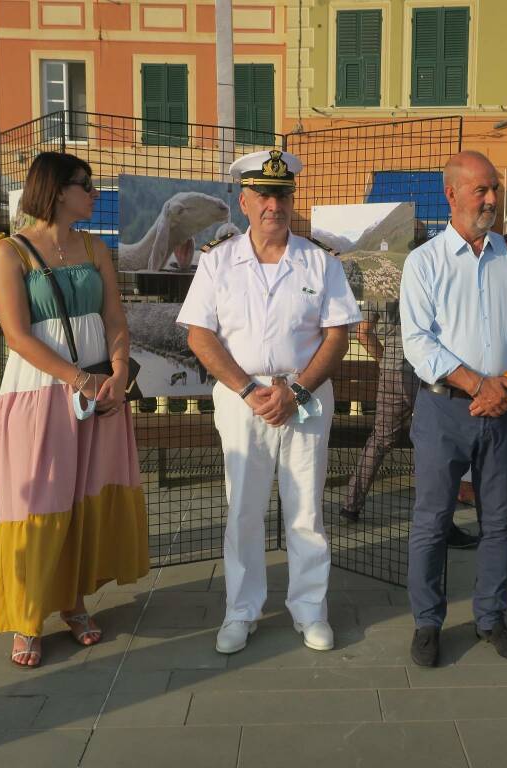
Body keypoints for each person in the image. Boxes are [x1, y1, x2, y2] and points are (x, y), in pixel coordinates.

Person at [177, 148, 361, 654]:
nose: (273, 205)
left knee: (305, 512)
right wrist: (249, 389)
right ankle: (242, 611)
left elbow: (338, 335)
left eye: (281, 194)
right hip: (243, 400)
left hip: (305, 397)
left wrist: (296, 389)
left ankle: (309, 611)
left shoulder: (320, 262)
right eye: (262, 194)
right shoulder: (218, 263)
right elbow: (199, 335)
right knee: (244, 511)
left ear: (291, 198)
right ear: (243, 201)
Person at [0, 152, 150, 667]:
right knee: (35, 503)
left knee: (83, 497)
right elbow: (15, 335)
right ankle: (26, 614)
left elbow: (115, 317)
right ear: (57, 190)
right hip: (40, 392)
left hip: (100, 391)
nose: (94, 192)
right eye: (86, 185)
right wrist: (78, 378)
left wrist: (119, 371)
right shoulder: (10, 253)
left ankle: (73, 602)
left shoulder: (95, 247)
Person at [400, 150, 507, 667]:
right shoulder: (424, 262)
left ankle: (491, 618)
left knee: (499, 521)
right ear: (451, 194)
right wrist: (478, 384)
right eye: (480, 190)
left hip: (506, 407)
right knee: (431, 521)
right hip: (445, 411)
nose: (491, 199)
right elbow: (417, 343)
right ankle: (427, 622)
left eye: (494, 189)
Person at [338, 300, 479, 548]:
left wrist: (385, 360)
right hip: (428, 373)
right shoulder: (429, 283)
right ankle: (442, 524)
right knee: (437, 443)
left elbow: (362, 331)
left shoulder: (380, 291)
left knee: (380, 439)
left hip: (392, 374)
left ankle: (351, 504)